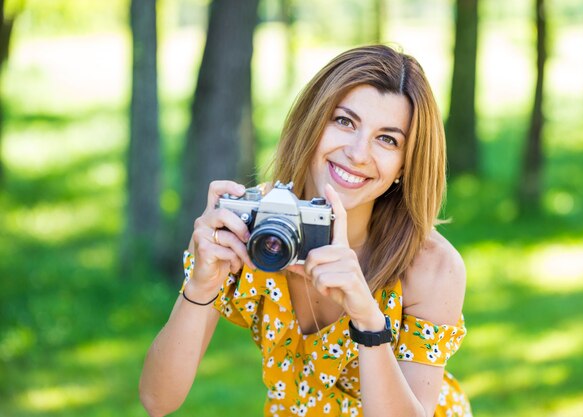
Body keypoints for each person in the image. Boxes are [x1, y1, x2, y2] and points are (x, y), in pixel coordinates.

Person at [139, 44, 472, 417]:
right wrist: (199, 287)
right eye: (344, 121)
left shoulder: (431, 267)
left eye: (387, 139)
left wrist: (367, 318)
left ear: (405, 166)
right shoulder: (249, 226)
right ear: (313, 122)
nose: (358, 153)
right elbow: (157, 401)